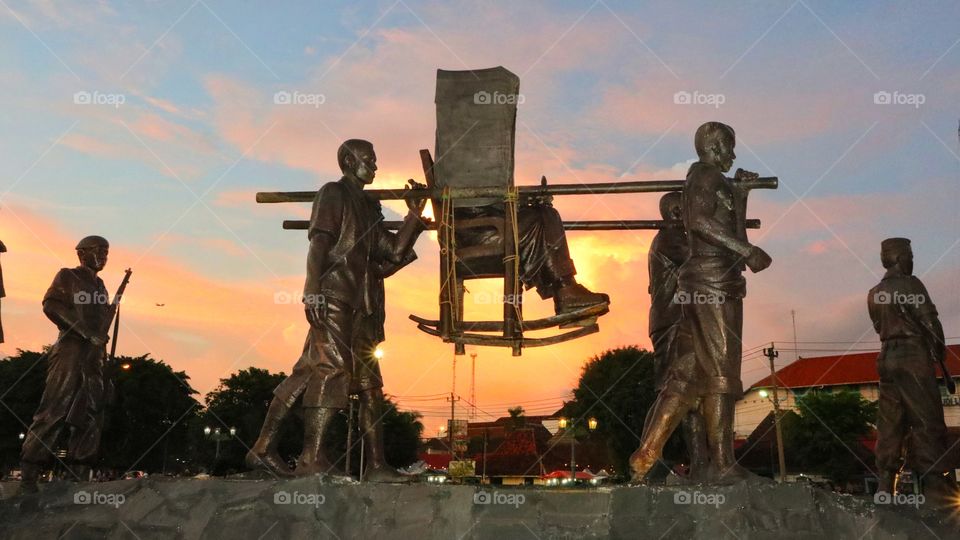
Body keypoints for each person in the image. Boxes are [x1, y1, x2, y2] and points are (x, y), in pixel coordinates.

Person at [247, 140, 427, 481]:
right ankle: (310, 458)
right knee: (332, 369)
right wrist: (311, 290)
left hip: (363, 306)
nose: (375, 166)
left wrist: (415, 215)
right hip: (334, 297)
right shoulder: (334, 193)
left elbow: (392, 252)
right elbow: (319, 243)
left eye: (375, 160)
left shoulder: (370, 207)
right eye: (368, 160)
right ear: (348, 161)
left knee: (363, 385)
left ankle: (375, 466)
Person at [630, 122, 772, 483]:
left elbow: (728, 234)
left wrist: (741, 196)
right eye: (730, 147)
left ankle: (647, 452)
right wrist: (747, 250)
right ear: (715, 146)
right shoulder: (706, 176)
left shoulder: (714, 181)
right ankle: (722, 464)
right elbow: (700, 223)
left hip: (713, 282)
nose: (733, 155)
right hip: (713, 285)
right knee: (721, 370)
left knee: (689, 371)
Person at [868, 237, 958, 504]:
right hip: (913, 356)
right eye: (910, 256)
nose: (912, 261)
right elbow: (929, 321)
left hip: (886, 357)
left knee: (890, 422)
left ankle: (885, 483)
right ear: (899, 257)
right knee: (926, 419)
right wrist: (939, 351)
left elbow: (878, 327)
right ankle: (935, 484)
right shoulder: (910, 284)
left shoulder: (874, 292)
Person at [21, 236, 113, 491]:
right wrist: (85, 332)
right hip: (71, 348)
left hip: (95, 355)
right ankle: (30, 471)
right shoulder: (68, 276)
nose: (103, 256)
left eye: (106, 252)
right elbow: (51, 306)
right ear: (81, 253)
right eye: (98, 251)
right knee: (55, 407)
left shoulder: (101, 287)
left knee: (92, 411)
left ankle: (80, 472)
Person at [647, 192, 707, 481]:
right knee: (674, 391)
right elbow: (702, 261)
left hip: (676, 320)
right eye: (689, 208)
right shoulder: (671, 238)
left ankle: (700, 464)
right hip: (673, 320)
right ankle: (647, 458)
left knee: (690, 394)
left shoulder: (671, 237)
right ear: (675, 212)